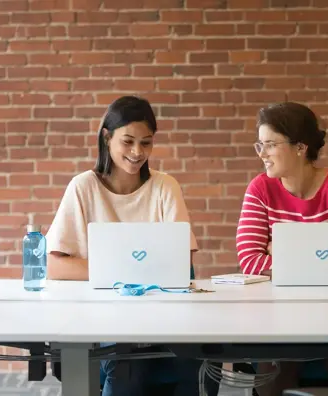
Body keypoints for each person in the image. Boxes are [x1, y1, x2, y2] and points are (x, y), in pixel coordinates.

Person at [44, 95, 218, 396]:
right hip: (104, 318)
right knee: (126, 362)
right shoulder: (83, 187)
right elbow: (52, 265)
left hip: (162, 317)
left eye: (146, 143)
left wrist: (119, 272)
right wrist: (121, 272)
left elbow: (181, 262)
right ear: (107, 137)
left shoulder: (165, 186)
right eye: (128, 141)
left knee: (202, 360)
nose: (138, 152)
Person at [236, 102, 328, 396]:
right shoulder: (260, 188)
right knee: (273, 373)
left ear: (300, 147)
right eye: (259, 145)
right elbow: (249, 259)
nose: (262, 154)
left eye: (270, 145)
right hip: (279, 314)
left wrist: (279, 253)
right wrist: (318, 260)